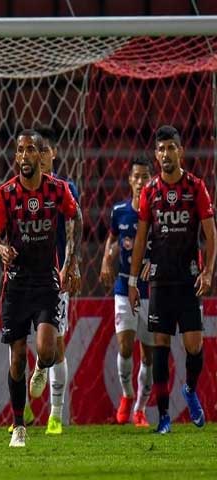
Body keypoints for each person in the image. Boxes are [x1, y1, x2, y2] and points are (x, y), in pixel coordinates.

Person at [0, 130, 82, 448]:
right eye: (20, 150)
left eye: (31, 150)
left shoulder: (57, 190)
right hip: (15, 283)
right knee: (15, 359)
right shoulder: (5, 194)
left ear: (42, 155)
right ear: (16, 157)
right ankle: (18, 426)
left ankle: (41, 368)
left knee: (48, 350)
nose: (25, 156)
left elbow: (76, 216)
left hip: (45, 280)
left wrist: (72, 261)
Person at [129, 125, 216, 434]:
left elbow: (210, 232)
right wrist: (131, 282)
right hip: (160, 280)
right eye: (161, 149)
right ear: (156, 154)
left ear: (181, 151)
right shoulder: (150, 191)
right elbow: (140, 239)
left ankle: (190, 390)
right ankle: (163, 417)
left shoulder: (196, 187)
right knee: (160, 346)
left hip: (189, 279)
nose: (166, 154)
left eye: (171, 148)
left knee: (194, 346)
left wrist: (207, 272)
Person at [25, 126, 81, 435]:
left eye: (44, 150)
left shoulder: (65, 187)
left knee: (56, 344)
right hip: (25, 277)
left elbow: (73, 229)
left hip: (54, 277)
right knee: (19, 341)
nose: (40, 156)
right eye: (34, 151)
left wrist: (70, 265)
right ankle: (22, 409)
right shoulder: (20, 188)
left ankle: (56, 416)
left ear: (54, 153)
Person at [99, 157, 153, 427]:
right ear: (130, 180)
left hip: (150, 290)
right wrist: (106, 259)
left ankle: (141, 409)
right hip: (123, 285)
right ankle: (126, 395)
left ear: (151, 180)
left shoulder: (155, 213)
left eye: (145, 177)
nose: (141, 182)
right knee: (125, 346)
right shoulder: (119, 211)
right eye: (137, 177)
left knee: (150, 354)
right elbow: (111, 238)